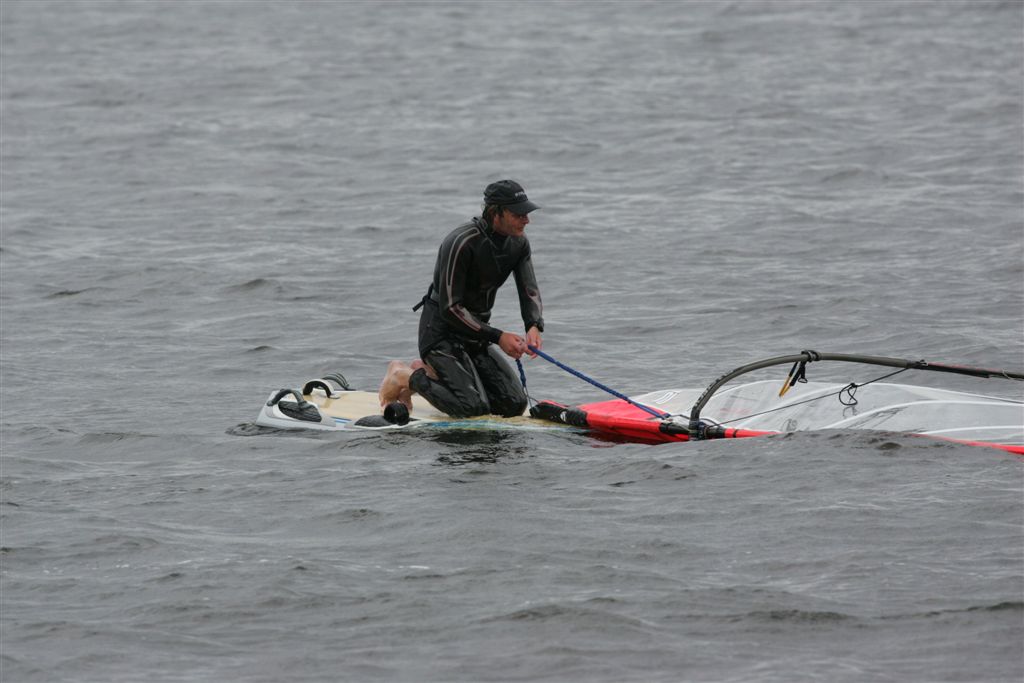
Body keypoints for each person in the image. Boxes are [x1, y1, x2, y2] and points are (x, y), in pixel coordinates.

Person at [378, 180, 544, 418]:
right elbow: (450, 308)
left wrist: (533, 325)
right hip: (440, 335)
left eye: (526, 213)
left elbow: (529, 290)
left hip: (476, 336)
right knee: (472, 408)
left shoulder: (519, 244)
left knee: (513, 404)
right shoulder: (461, 242)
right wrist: (499, 337)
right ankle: (402, 375)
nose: (526, 220)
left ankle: (432, 374)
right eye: (518, 214)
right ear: (495, 213)